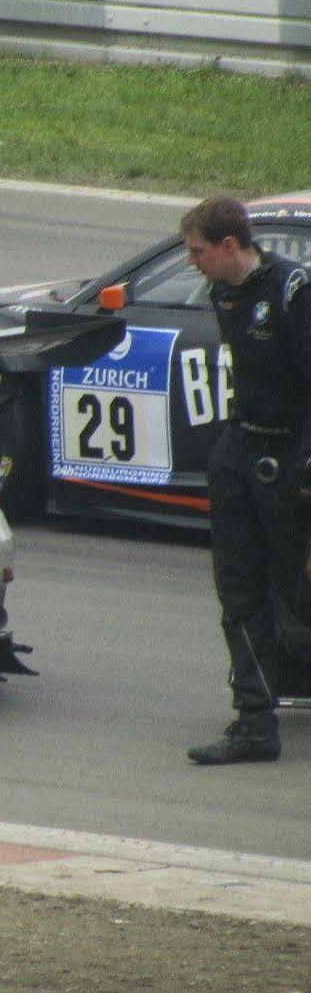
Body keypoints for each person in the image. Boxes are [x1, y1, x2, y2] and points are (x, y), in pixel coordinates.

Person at [183, 194, 311, 765]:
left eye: (198, 251)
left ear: (230, 246)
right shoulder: (222, 290)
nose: (193, 262)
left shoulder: (292, 293)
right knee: (237, 591)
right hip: (240, 451)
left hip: (289, 459)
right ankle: (255, 724)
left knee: (298, 591)